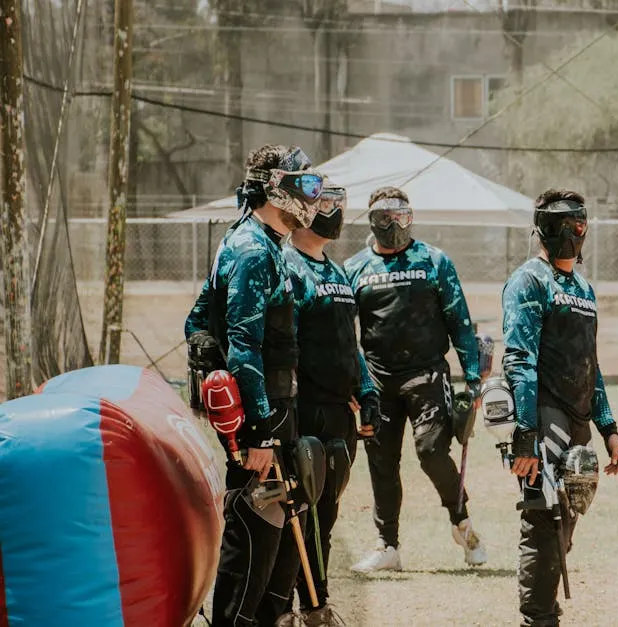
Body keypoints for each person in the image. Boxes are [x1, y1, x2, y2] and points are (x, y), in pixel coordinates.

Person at [184, 145, 324, 627]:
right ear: (275, 188)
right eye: (303, 183)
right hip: (263, 418)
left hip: (278, 407)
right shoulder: (249, 248)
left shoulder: (266, 243)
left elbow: (199, 320)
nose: (312, 193)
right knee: (255, 528)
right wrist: (253, 432)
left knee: (284, 528)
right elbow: (244, 343)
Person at [502, 188, 618, 627]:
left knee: (569, 513)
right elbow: (519, 359)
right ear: (542, 230)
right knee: (544, 515)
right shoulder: (529, 280)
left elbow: (589, 362)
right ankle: (537, 618)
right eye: (562, 227)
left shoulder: (583, 288)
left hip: (577, 419)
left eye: (578, 226)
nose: (572, 235)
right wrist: (525, 433)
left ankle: (545, 605)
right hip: (543, 414)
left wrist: (608, 426)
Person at [344, 186, 487, 571]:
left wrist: (473, 379)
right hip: (377, 380)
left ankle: (462, 522)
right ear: (373, 220)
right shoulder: (354, 268)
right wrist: (352, 382)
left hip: (426, 374)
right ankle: (387, 545)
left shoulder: (434, 261)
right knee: (381, 461)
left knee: (431, 452)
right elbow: (342, 332)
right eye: (385, 217)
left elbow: (459, 320)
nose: (394, 224)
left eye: (401, 215)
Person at [277, 184, 383, 626]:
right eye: (324, 205)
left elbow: (348, 343)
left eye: (339, 205)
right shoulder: (288, 266)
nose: (334, 213)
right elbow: (284, 344)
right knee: (300, 514)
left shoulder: (337, 272)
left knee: (327, 512)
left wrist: (368, 389)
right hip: (305, 413)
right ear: (301, 211)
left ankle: (312, 603)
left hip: (340, 413)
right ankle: (308, 607)